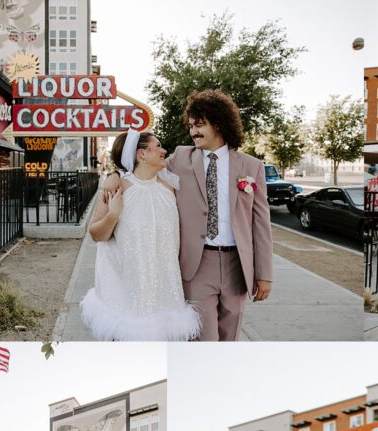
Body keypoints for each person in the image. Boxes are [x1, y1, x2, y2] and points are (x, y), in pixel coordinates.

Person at [104, 90, 273, 341]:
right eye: (191, 125)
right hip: (197, 263)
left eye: (199, 125)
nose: (193, 131)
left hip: (238, 266)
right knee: (203, 340)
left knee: (230, 338)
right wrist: (115, 174)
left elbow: (261, 223)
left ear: (219, 123)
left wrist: (264, 273)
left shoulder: (251, 166)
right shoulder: (180, 158)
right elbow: (141, 167)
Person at [82, 130, 201, 341]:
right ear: (141, 154)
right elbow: (95, 234)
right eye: (158, 146)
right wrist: (114, 214)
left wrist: (114, 173)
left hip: (164, 289)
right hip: (126, 291)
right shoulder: (118, 189)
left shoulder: (170, 188)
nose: (164, 150)